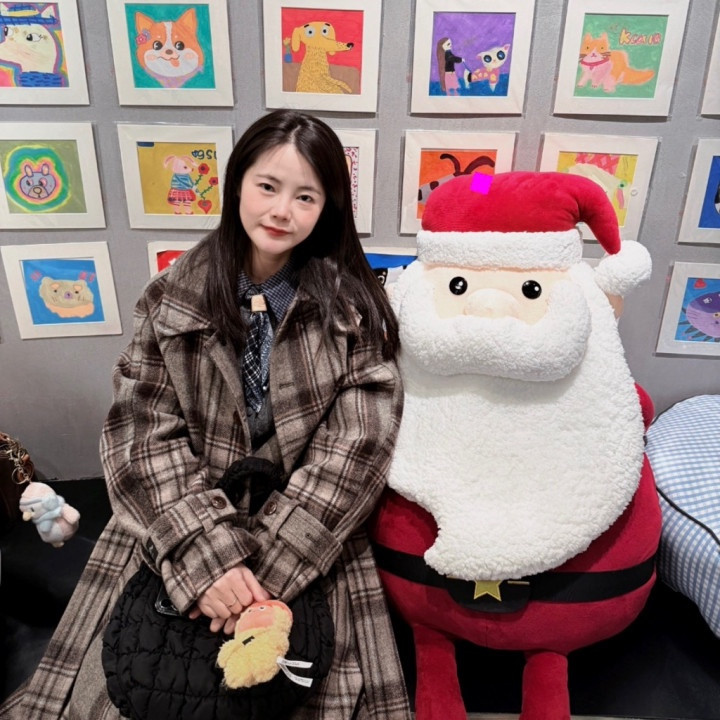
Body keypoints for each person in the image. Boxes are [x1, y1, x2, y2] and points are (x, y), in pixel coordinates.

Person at [0, 109, 411, 720]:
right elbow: (140, 434)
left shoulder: (354, 311)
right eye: (267, 186)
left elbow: (358, 449)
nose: (281, 211)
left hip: (310, 539)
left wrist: (266, 575)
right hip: (178, 521)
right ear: (237, 183)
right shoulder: (172, 297)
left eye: (305, 196)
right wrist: (207, 560)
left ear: (328, 207)